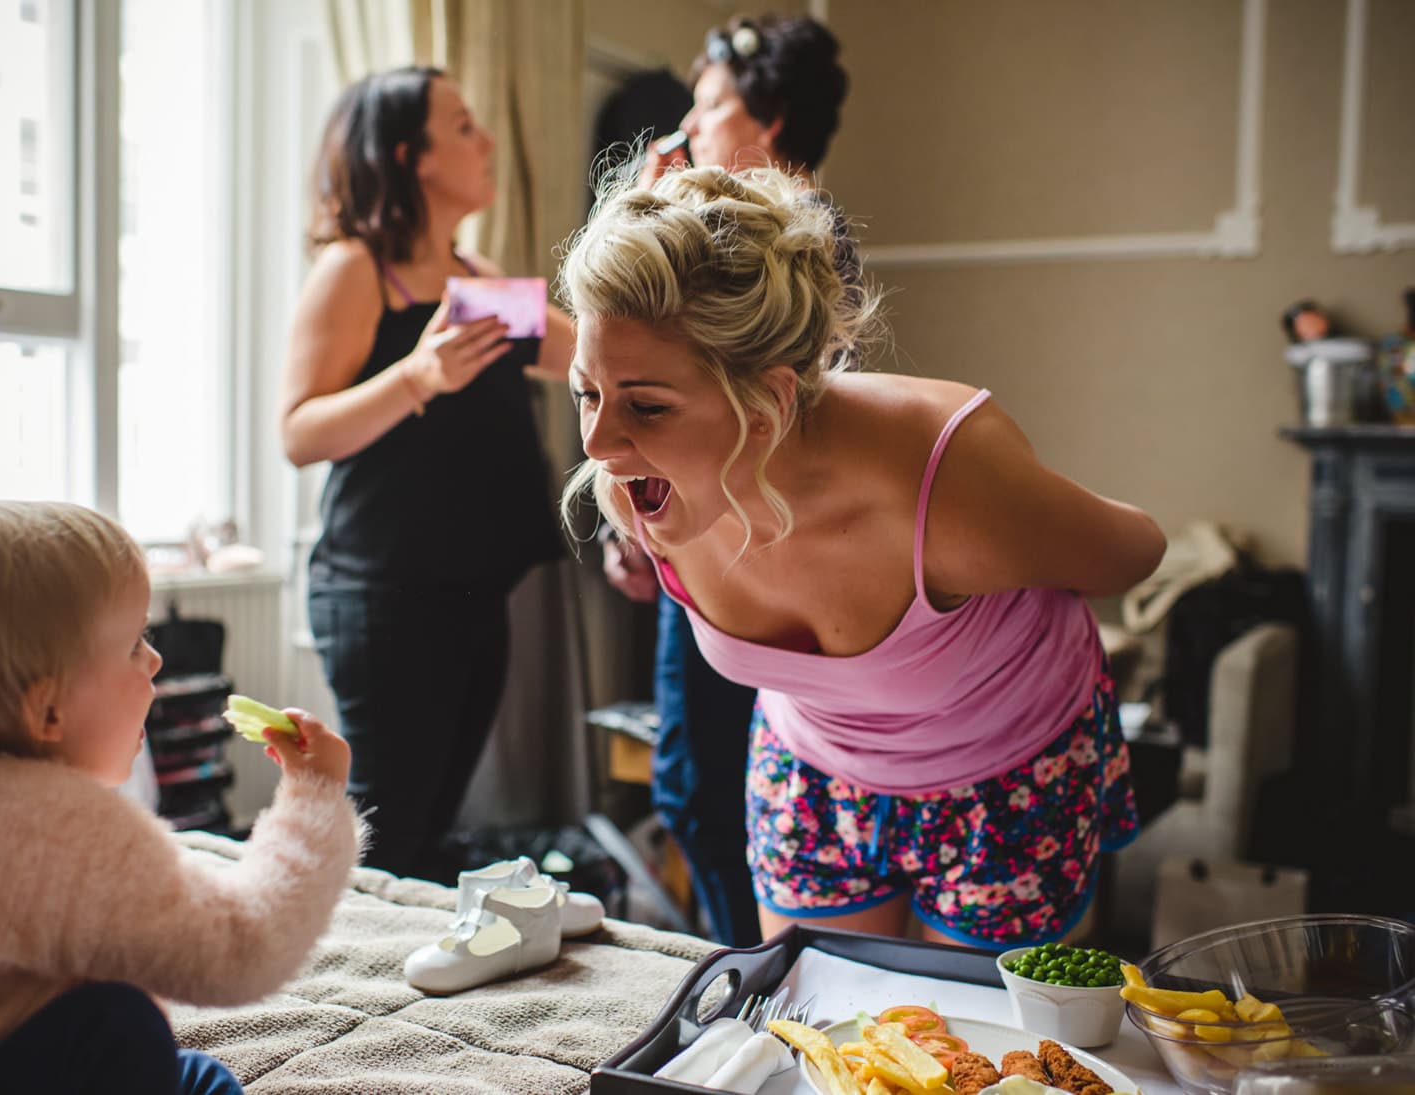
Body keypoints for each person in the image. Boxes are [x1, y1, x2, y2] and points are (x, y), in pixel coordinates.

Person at [559, 165, 1164, 950]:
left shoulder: (943, 481)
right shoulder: (646, 483)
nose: (599, 444)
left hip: (1009, 773)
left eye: (645, 405)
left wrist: (1026, 521)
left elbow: (1134, 550)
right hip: (812, 769)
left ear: (771, 400)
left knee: (966, 1062)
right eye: (585, 393)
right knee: (822, 1030)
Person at [0, 500, 361, 1095]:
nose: (156, 660)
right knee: (119, 1021)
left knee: (193, 1075)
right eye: (135, 643)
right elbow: (244, 949)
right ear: (48, 709)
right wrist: (314, 796)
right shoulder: (55, 831)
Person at [281, 67, 574, 880]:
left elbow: (586, 351)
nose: (486, 142)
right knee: (388, 829)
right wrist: (416, 377)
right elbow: (299, 432)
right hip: (382, 599)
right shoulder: (355, 271)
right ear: (411, 156)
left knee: (433, 823)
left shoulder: (476, 279)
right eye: (464, 126)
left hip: (477, 591)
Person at [597, 13, 850, 948]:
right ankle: (746, 957)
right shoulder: (707, 233)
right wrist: (640, 522)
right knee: (697, 783)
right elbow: (652, 405)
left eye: (708, 107)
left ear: (771, 120)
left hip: (759, 549)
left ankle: (755, 961)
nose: (683, 131)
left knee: (711, 782)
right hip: (699, 542)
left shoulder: (799, 255)